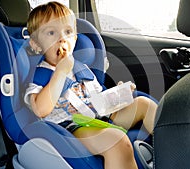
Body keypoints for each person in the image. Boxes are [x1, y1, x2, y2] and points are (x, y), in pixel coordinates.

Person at [24, 2, 157, 169]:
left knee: (145, 105)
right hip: (72, 129)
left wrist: (117, 95)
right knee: (117, 141)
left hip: (99, 116)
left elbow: (98, 99)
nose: (62, 39)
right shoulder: (41, 75)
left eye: (68, 32)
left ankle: (175, 156)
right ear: (36, 44)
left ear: (75, 38)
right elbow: (40, 109)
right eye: (51, 32)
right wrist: (60, 72)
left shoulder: (82, 69)